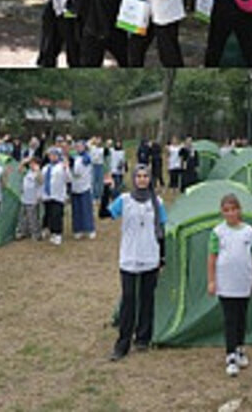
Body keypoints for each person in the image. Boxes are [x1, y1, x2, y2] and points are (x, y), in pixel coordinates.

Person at [108, 166, 168, 361]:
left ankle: (143, 338)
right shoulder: (125, 200)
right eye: (139, 176)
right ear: (134, 179)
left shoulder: (157, 202)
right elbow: (104, 214)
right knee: (128, 300)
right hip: (129, 257)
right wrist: (105, 190)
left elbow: (161, 231)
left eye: (145, 176)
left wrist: (162, 257)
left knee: (147, 299)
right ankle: (122, 344)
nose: (142, 180)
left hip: (150, 256)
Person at [207, 194, 252, 377]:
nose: (230, 213)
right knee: (230, 318)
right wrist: (212, 280)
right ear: (222, 212)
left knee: (241, 317)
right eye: (226, 210)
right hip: (226, 282)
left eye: (233, 209)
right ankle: (230, 355)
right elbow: (212, 258)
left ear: (239, 210)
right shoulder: (218, 232)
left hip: (243, 282)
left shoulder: (249, 232)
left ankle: (240, 349)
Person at [41, 147, 70, 245]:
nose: (52, 157)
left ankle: (58, 233)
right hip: (47, 195)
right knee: (49, 214)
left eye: (54, 155)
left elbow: (68, 179)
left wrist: (66, 168)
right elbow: (42, 181)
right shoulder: (46, 168)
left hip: (58, 195)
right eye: (50, 155)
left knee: (57, 214)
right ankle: (51, 231)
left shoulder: (61, 166)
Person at [70, 140, 96, 240]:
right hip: (75, 187)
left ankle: (90, 229)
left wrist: (72, 164)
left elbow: (78, 171)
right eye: (77, 146)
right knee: (76, 210)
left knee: (86, 209)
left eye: (80, 146)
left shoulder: (87, 158)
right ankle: (78, 229)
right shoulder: (75, 157)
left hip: (85, 186)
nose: (78, 148)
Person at [17, 157, 42, 240]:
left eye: (33, 163)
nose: (31, 165)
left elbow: (40, 180)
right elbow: (19, 170)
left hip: (33, 199)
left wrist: (37, 170)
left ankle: (36, 234)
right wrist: (23, 162)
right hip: (24, 198)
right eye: (30, 164)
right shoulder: (28, 172)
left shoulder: (39, 173)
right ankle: (22, 232)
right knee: (23, 217)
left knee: (33, 217)